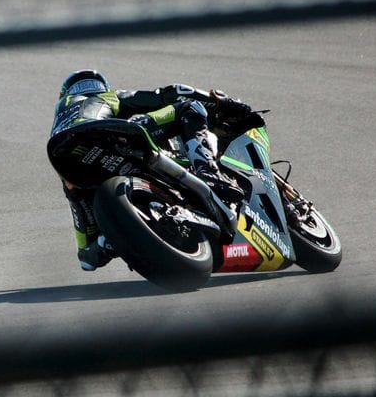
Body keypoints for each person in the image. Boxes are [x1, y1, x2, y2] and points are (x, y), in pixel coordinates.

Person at [48, 69, 257, 271]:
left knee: (86, 243)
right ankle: (210, 175)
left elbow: (87, 260)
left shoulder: (63, 119)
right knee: (190, 108)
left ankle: (107, 243)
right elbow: (172, 92)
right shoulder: (106, 96)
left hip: (65, 157)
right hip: (107, 134)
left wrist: (92, 248)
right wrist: (222, 102)